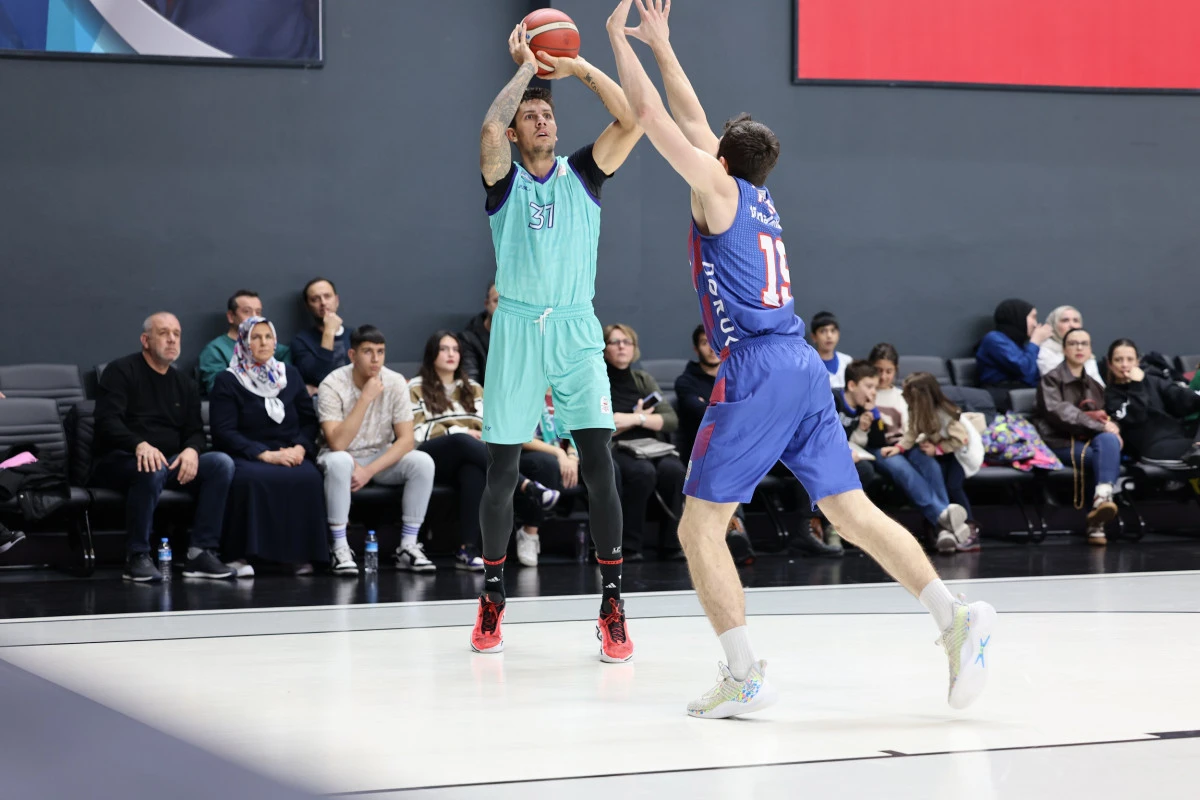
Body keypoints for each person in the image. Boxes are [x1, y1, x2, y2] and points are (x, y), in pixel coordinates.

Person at [608, 0, 994, 717]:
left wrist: (616, 39)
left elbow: (656, 116)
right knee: (849, 510)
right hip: (801, 364)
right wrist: (660, 43)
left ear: (722, 159)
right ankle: (954, 617)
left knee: (699, 526)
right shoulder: (757, 196)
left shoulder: (716, 187)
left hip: (757, 367)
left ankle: (744, 674)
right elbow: (690, 114)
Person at [473, 20, 643, 661]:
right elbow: (489, 130)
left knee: (600, 463)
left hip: (574, 326)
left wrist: (574, 69)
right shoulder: (504, 181)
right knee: (503, 469)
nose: (543, 120)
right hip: (518, 327)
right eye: (532, 117)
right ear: (518, 135)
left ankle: (612, 603)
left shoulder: (584, 175)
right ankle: (493, 595)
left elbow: (632, 120)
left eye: (548, 114)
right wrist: (526, 68)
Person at [91, 313, 236, 582]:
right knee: (151, 466)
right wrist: (138, 444)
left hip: (167, 462)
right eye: (164, 333)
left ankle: (200, 553)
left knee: (221, 464)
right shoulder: (121, 371)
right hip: (118, 460)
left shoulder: (184, 384)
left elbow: (195, 431)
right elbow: (107, 422)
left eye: (176, 334)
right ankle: (137, 555)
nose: (172, 339)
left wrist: (192, 450)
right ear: (145, 340)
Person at [409, 332, 559, 571]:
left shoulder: (474, 388)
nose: (451, 354)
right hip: (434, 455)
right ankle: (525, 485)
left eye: (455, 349)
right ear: (432, 354)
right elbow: (417, 432)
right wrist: (461, 431)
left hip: (474, 454)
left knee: (473, 470)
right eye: (444, 349)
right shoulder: (415, 387)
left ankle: (467, 549)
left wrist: (482, 435)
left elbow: (490, 424)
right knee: (462, 440)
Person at [209, 316, 327, 576]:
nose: (263, 342)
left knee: (308, 477)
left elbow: (308, 421)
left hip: (289, 451)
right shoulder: (228, 380)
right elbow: (224, 431)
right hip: (247, 453)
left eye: (268, 336)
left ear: (275, 341)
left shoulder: (290, 375)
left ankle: (297, 555)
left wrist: (299, 448)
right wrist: (264, 455)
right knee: (251, 480)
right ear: (244, 343)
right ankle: (242, 555)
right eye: (255, 337)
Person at [316, 325, 436, 574]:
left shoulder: (395, 381)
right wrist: (365, 398)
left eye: (380, 352)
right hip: (342, 457)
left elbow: (406, 440)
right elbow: (337, 443)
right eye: (368, 352)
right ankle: (339, 547)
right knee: (339, 461)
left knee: (422, 461)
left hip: (378, 458)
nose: (375, 359)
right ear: (352, 355)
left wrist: (368, 471)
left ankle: (408, 546)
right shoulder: (332, 383)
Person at [674, 324, 755, 564]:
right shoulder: (685, 381)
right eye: (704, 343)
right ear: (696, 348)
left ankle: (732, 526)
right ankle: (734, 525)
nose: (711, 348)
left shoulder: (739, 377)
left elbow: (752, 413)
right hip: (700, 453)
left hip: (741, 448)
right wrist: (732, 411)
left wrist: (715, 408)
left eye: (714, 342)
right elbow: (703, 415)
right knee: (725, 459)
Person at [604, 323, 685, 560]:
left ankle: (672, 545)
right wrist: (640, 418)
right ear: (604, 348)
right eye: (615, 342)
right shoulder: (597, 381)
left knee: (674, 470)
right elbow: (604, 425)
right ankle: (629, 546)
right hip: (616, 447)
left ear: (634, 348)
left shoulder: (643, 380)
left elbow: (670, 420)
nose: (622, 347)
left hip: (651, 446)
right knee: (642, 472)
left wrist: (633, 418)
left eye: (627, 342)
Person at [1034, 329, 1121, 545]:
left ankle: (1102, 498)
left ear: (1090, 350)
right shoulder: (1051, 380)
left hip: (1089, 438)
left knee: (1109, 441)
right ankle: (1096, 524)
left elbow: (1107, 415)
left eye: (1084, 344)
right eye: (1073, 343)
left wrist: (1113, 428)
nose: (1079, 348)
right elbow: (1060, 414)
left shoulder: (1094, 384)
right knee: (1099, 458)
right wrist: (1100, 426)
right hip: (1059, 441)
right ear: (1064, 349)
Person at [882, 373, 978, 553]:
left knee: (953, 486)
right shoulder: (915, 409)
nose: (906, 399)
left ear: (922, 398)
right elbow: (912, 432)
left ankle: (970, 526)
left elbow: (960, 440)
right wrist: (900, 448)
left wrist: (938, 449)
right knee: (935, 479)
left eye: (910, 397)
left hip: (960, 454)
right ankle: (943, 527)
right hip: (941, 450)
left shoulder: (946, 414)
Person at [1105, 339, 1200, 467]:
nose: (1124, 364)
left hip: (1180, 438)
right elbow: (1137, 416)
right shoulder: (1110, 396)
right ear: (1110, 364)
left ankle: (1198, 447)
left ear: (1137, 362)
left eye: (1130, 359)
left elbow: (1180, 397)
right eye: (1118, 360)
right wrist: (1137, 385)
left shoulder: (1152, 380)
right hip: (1153, 447)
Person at [198, 290, 291, 394]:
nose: (254, 317)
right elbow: (218, 389)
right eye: (247, 311)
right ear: (231, 316)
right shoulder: (215, 350)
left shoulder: (271, 347)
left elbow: (288, 380)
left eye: (258, 312)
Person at [976, 298, 1053, 409]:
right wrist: (1035, 341)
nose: (1036, 324)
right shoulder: (994, 339)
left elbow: (1032, 376)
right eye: (1033, 317)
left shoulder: (1020, 344)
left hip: (1023, 394)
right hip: (1002, 396)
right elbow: (1023, 368)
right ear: (1018, 317)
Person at [292, 277, 351, 394]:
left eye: (327, 296)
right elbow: (319, 377)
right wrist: (329, 332)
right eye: (315, 299)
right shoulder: (301, 341)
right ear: (308, 306)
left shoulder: (355, 336)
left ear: (336, 300)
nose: (323, 303)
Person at [1037, 305, 1103, 385]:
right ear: (1053, 325)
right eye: (1065, 320)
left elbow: (1098, 385)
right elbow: (1055, 382)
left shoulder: (1085, 352)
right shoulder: (1045, 351)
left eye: (1076, 321)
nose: (1072, 325)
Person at [460, 282, 500, 385]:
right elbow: (472, 385)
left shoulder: (525, 336)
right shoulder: (469, 339)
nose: (503, 307)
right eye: (497, 301)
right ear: (487, 304)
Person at [810, 311, 853, 389]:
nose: (829, 336)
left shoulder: (847, 361)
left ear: (838, 335)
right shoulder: (808, 365)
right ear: (814, 337)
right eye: (823, 331)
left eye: (833, 331)